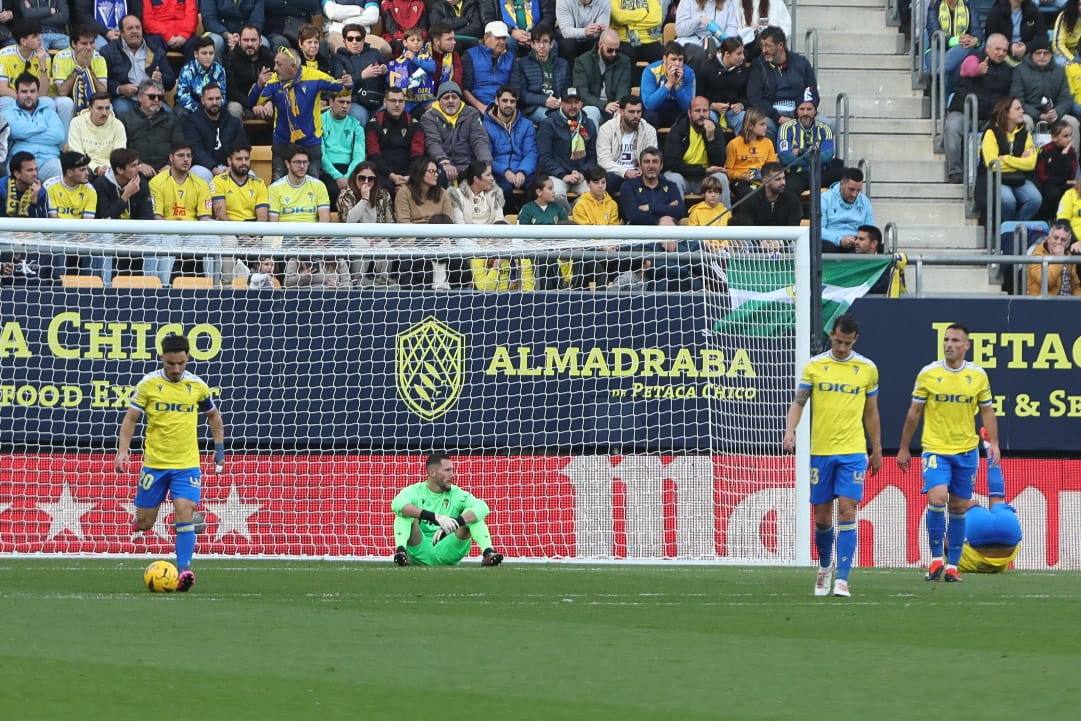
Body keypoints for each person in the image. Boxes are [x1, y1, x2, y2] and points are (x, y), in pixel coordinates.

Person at [114, 332, 226, 592]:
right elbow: (130, 419)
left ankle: (184, 570)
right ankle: (184, 525)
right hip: (154, 464)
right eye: (170, 364)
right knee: (144, 523)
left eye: (181, 363)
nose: (176, 369)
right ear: (162, 358)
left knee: (184, 510)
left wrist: (218, 450)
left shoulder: (197, 386)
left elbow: (214, 417)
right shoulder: (149, 385)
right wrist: (123, 451)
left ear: (188, 359)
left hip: (186, 464)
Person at [782, 313, 880, 598]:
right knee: (822, 519)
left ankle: (843, 580)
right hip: (821, 451)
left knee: (848, 510)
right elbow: (799, 402)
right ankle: (825, 566)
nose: (841, 348)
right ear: (831, 336)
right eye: (838, 341)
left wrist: (876, 448)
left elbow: (871, 412)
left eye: (847, 343)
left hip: (852, 451)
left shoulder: (867, 369)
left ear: (855, 340)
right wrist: (791, 431)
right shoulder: (815, 366)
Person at [896, 322, 1000, 583]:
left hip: (966, 451)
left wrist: (995, 443)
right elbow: (913, 413)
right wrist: (904, 447)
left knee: (957, 506)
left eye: (955, 341)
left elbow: (987, 410)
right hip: (935, 449)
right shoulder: (928, 374)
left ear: (966, 346)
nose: (949, 345)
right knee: (938, 497)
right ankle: (934, 560)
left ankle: (953, 565)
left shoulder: (977, 376)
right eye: (946, 340)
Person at [250, 47, 352, 180]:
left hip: (310, 142)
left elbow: (342, 90)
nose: (274, 68)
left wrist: (349, 85)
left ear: (292, 66)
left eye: (279, 64)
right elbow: (252, 102)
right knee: (277, 183)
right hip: (282, 142)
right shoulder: (273, 81)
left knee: (312, 185)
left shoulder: (315, 77)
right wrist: (258, 85)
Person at [390, 452, 504, 567]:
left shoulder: (456, 494)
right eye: (447, 470)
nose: (452, 474)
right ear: (432, 473)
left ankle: (488, 553)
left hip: (448, 550)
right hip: (419, 549)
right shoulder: (416, 491)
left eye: (452, 470)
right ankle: (401, 552)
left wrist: (457, 522)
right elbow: (397, 504)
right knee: (404, 513)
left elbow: (483, 507)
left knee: (471, 515)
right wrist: (435, 517)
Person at [943, 33, 1012, 183]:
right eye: (997, 49)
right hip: (965, 113)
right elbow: (966, 69)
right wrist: (977, 70)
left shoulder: (1008, 70)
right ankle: (955, 171)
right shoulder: (974, 56)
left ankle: (997, 173)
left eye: (1005, 51)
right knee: (952, 126)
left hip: (990, 118)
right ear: (987, 47)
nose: (1001, 53)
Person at [148, 143, 214, 284]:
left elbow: (205, 218)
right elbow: (157, 217)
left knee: (212, 238)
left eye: (189, 156)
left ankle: (213, 286)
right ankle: (162, 286)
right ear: (171, 158)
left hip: (193, 232)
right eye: (181, 155)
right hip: (167, 230)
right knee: (171, 238)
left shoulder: (201, 184)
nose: (186, 160)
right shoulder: (156, 183)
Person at [746, 26, 819, 138]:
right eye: (762, 46)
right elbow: (754, 97)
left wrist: (803, 112)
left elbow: (812, 91)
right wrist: (778, 117)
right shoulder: (758, 65)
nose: (764, 50)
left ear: (780, 46)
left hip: (800, 112)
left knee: (829, 124)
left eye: (768, 46)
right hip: (771, 114)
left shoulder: (801, 63)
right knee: (759, 125)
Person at [100, 14, 176, 117]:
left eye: (137, 27)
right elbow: (102, 81)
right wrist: (119, 88)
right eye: (130, 28)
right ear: (121, 33)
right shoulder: (108, 52)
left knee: (169, 116)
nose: (135, 31)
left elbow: (170, 81)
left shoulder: (156, 50)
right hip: (124, 99)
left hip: (153, 98)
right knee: (123, 112)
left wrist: (161, 79)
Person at [420, 80, 493, 186]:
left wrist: (486, 164)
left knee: (484, 178)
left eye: (454, 97)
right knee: (440, 176)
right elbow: (432, 142)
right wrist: (444, 161)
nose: (451, 101)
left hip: (467, 165)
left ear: (460, 99)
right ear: (439, 100)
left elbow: (479, 140)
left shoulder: (471, 114)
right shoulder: (429, 116)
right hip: (441, 165)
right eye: (446, 97)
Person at [979, 96, 1040, 222]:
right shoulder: (991, 133)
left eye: (1022, 108)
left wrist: (1006, 159)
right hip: (997, 177)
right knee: (1008, 200)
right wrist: (1019, 162)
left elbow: (1030, 164)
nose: (1022, 111)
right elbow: (992, 164)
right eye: (1018, 108)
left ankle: (1013, 230)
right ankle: (1009, 231)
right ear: (1006, 113)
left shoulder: (1025, 133)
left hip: (1019, 177)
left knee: (1035, 199)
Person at [1009, 34, 1078, 144]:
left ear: (1051, 54)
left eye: (1046, 53)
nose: (1042, 56)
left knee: (1072, 122)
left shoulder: (1059, 71)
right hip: (1029, 114)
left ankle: (1071, 160)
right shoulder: (1020, 70)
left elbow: (1066, 98)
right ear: (1032, 54)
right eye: (1038, 53)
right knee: (1023, 121)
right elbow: (1017, 99)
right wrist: (1039, 115)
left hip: (1054, 115)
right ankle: (1021, 159)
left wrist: (1057, 112)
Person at [536, 87, 598, 209]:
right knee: (557, 194)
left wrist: (582, 172)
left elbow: (592, 157)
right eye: (569, 102)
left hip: (580, 175)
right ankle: (567, 219)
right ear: (562, 103)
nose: (573, 106)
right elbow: (544, 158)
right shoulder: (549, 124)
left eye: (576, 102)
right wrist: (563, 174)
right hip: (557, 175)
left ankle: (575, 215)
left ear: (581, 104)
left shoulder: (588, 124)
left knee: (593, 194)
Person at [663, 95, 730, 204]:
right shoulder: (678, 129)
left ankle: (724, 218)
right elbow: (672, 164)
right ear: (689, 113)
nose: (702, 115)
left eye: (705, 111)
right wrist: (704, 170)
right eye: (697, 111)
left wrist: (711, 139)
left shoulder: (715, 129)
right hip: (684, 176)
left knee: (721, 178)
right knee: (671, 178)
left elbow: (719, 163)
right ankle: (671, 218)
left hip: (706, 179)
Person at [337, 161, 395, 285]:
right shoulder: (345, 194)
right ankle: (357, 282)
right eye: (362, 178)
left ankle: (382, 283)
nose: (366, 182)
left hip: (377, 236)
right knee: (362, 245)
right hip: (352, 235)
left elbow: (390, 223)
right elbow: (349, 222)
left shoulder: (383, 195)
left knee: (385, 247)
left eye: (370, 179)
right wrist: (364, 199)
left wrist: (381, 236)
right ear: (355, 177)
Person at [3, 73, 66, 181]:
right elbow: (14, 131)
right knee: (12, 173)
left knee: (57, 169)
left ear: (37, 93)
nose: (28, 95)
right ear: (17, 93)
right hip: (21, 161)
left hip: (48, 160)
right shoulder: (8, 112)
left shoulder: (48, 112)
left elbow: (59, 135)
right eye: (24, 91)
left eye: (32, 91)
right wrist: (42, 127)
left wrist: (24, 135)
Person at [182, 83, 249, 184]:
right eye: (210, 99)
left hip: (229, 166)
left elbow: (241, 146)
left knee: (251, 175)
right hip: (205, 167)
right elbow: (195, 150)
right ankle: (205, 201)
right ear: (203, 101)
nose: (214, 102)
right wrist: (214, 168)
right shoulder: (193, 122)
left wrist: (232, 166)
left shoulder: (232, 121)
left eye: (217, 99)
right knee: (199, 174)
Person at [365, 85, 426, 191]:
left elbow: (417, 155)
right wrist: (391, 176)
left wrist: (409, 177)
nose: (397, 104)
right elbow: (373, 155)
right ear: (385, 102)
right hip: (383, 174)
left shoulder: (414, 124)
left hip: (408, 175)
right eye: (393, 100)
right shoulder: (373, 124)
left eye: (400, 101)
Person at [119, 79, 185, 176]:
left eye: (160, 97)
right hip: (137, 171)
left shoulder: (171, 118)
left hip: (167, 171)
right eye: (152, 96)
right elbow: (122, 149)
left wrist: (170, 165)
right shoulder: (125, 118)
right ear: (140, 97)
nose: (156, 100)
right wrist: (139, 165)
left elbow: (179, 146)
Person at [484, 85, 539, 201]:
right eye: (504, 100)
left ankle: (529, 217)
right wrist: (505, 171)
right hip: (498, 171)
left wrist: (522, 171)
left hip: (522, 169)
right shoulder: (485, 126)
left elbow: (531, 153)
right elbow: (486, 157)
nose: (509, 104)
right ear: (496, 101)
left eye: (512, 101)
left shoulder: (527, 125)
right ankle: (507, 218)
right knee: (504, 190)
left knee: (537, 188)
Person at [777, 96, 840, 198]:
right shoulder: (786, 128)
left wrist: (801, 152)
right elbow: (786, 157)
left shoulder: (825, 128)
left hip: (820, 173)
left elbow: (828, 156)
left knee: (848, 175)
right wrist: (814, 157)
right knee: (789, 192)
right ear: (796, 111)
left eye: (809, 109)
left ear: (815, 111)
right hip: (797, 174)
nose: (805, 113)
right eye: (801, 109)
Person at [595, 94, 656, 196]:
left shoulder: (649, 130)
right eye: (631, 112)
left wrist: (642, 169)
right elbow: (603, 161)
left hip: (639, 173)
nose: (636, 115)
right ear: (621, 111)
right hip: (615, 173)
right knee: (608, 179)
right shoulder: (606, 129)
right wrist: (625, 171)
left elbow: (653, 156)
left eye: (639, 112)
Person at [511, 24, 571, 123]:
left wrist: (563, 102)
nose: (541, 46)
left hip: (558, 106)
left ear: (551, 44)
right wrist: (544, 100)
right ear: (532, 44)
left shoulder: (563, 64)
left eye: (545, 41)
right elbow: (521, 94)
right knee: (553, 120)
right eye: (538, 42)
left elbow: (567, 89)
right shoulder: (522, 64)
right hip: (534, 108)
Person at [572, 29, 632, 127]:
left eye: (617, 50)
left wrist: (618, 106)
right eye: (610, 50)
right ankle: (593, 143)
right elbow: (582, 93)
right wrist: (604, 105)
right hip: (593, 105)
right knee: (591, 112)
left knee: (622, 115)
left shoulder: (624, 61)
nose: (614, 54)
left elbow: (624, 88)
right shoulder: (582, 61)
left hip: (614, 106)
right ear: (600, 44)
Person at [50, 25, 108, 121]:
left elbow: (102, 91)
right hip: (65, 97)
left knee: (107, 106)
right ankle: (66, 136)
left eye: (92, 43)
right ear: (73, 44)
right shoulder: (61, 57)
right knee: (66, 103)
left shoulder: (99, 58)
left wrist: (88, 68)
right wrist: (78, 67)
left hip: (90, 96)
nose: (89, 47)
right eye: (84, 43)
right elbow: (62, 92)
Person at [730, 161, 801, 237]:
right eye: (778, 179)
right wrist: (761, 241)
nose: (783, 182)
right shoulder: (750, 200)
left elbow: (793, 230)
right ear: (765, 181)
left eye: (784, 178)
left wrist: (779, 242)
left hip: (785, 245)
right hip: (758, 245)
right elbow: (748, 229)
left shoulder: (792, 200)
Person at [618, 146, 685, 226]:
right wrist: (660, 220)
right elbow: (633, 215)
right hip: (638, 235)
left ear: (661, 165)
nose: (651, 166)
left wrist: (650, 207)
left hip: (665, 235)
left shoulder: (671, 186)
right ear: (640, 165)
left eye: (655, 162)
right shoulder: (628, 186)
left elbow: (680, 211)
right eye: (646, 162)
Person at [321, 91, 367, 204]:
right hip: (327, 169)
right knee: (332, 191)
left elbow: (359, 155)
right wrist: (337, 177)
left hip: (350, 170)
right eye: (341, 102)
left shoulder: (356, 124)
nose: (345, 106)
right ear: (331, 102)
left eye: (348, 102)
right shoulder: (320, 121)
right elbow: (321, 154)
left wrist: (347, 177)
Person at [67, 92, 127, 176]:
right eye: (99, 108)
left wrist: (108, 169)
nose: (104, 113)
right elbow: (77, 153)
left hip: (110, 168)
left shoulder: (118, 125)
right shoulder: (76, 123)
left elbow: (119, 154)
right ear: (90, 108)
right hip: (85, 166)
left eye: (107, 108)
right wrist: (96, 168)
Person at [725, 107, 777, 200]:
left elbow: (772, 167)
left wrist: (765, 177)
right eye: (762, 124)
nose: (766, 127)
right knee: (750, 194)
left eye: (766, 124)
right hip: (740, 181)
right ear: (750, 126)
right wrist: (742, 176)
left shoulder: (768, 143)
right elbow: (728, 171)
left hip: (761, 180)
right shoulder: (734, 144)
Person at [462, 20, 515, 113]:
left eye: (504, 38)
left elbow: (514, 89)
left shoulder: (510, 58)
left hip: (504, 107)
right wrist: (481, 107)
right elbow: (465, 90)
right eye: (498, 38)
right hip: (477, 107)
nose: (502, 42)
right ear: (486, 37)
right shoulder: (471, 55)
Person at [640, 41, 696, 129]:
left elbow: (688, 107)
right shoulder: (650, 71)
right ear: (664, 58)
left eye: (680, 60)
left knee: (690, 118)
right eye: (673, 59)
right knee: (650, 118)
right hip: (656, 110)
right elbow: (649, 104)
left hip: (676, 109)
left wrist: (677, 87)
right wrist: (669, 84)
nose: (677, 63)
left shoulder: (689, 73)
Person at [225, 25, 276, 120]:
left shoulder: (269, 57)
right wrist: (251, 105)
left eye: (253, 40)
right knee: (233, 109)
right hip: (242, 104)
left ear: (260, 41)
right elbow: (231, 92)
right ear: (239, 41)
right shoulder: (231, 58)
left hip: (265, 103)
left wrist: (270, 102)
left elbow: (279, 85)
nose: (249, 44)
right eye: (245, 40)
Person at [268, 145, 331, 221]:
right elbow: (273, 223)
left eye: (305, 162)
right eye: (297, 162)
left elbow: (325, 219)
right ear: (287, 164)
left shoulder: (319, 186)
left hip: (312, 232)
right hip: (285, 232)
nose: (302, 166)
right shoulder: (274, 188)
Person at [700, 37, 749, 134]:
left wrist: (742, 105)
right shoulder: (707, 67)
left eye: (742, 53)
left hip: (733, 112)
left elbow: (748, 94)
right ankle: (716, 148)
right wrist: (712, 105)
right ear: (727, 54)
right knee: (709, 119)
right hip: (712, 110)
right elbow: (699, 95)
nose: (743, 57)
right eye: (738, 54)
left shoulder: (743, 69)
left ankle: (739, 147)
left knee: (745, 117)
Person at [821, 167, 875, 252]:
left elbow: (871, 231)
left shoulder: (865, 202)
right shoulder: (825, 199)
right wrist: (839, 240)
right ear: (842, 183)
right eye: (851, 189)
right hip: (832, 243)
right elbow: (819, 230)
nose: (854, 194)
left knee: (878, 246)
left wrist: (860, 241)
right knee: (824, 246)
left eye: (858, 190)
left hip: (856, 244)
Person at [210, 145, 270, 221]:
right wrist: (237, 232)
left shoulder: (259, 183)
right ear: (229, 160)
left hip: (252, 229)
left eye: (247, 159)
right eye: (239, 159)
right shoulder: (218, 181)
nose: (244, 162)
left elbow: (262, 217)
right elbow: (221, 215)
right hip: (228, 229)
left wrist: (254, 232)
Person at [176, 36, 228, 116]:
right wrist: (202, 111)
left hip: (213, 107)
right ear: (196, 54)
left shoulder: (219, 70)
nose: (208, 57)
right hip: (192, 109)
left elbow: (223, 95)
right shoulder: (187, 70)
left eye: (211, 53)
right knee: (181, 110)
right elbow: (183, 96)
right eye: (204, 53)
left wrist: (211, 108)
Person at [1026, 220, 1081, 294]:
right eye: (1056, 238)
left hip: (1069, 302)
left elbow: (1075, 286)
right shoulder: (1037, 254)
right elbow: (1046, 282)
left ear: (1067, 244)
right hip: (1046, 303)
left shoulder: (1068, 256)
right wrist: (1058, 259)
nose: (1058, 242)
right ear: (1048, 239)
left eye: (1063, 240)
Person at [983, 0, 1045, 66]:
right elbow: (990, 39)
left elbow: (1043, 38)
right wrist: (1010, 47)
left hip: (1027, 54)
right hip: (1003, 55)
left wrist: (1026, 47)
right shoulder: (996, 11)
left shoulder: (1033, 9)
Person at [1036, 120, 1077, 218]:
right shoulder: (1045, 150)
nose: (1069, 139)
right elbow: (1041, 176)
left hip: (1064, 182)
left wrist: (1065, 154)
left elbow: (1072, 173)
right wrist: (1063, 155)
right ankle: (1052, 219)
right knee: (1053, 194)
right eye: (1065, 136)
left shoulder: (1071, 152)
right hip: (1048, 184)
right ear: (1054, 137)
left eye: (1070, 135)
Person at [202, 0, 267, 60]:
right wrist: (227, 35)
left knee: (264, 43)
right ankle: (216, 71)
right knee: (216, 42)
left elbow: (257, 20)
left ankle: (256, 72)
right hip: (219, 32)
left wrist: (243, 37)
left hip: (246, 34)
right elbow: (209, 19)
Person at [394, 156, 454, 222]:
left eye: (436, 171)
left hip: (438, 231)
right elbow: (403, 222)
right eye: (431, 171)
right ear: (420, 172)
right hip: (413, 232)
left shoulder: (442, 193)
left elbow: (448, 220)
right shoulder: (404, 192)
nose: (436, 175)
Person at [45, 151, 97, 221]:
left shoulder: (91, 190)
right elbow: (53, 219)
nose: (87, 173)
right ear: (69, 172)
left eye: (87, 169)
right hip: (56, 230)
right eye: (82, 170)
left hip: (81, 231)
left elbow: (87, 223)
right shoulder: (49, 186)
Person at [0, 151, 48, 219]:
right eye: (29, 170)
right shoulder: (2, 189)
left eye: (35, 169)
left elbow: (43, 224)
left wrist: (34, 202)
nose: (35, 174)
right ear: (17, 174)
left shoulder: (40, 191)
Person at [1053, 0, 1081, 65]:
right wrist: (1072, 59)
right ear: (1074, 5)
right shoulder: (1064, 16)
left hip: (1077, 52)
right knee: (1062, 62)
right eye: (1080, 4)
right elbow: (1058, 45)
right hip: (1062, 53)